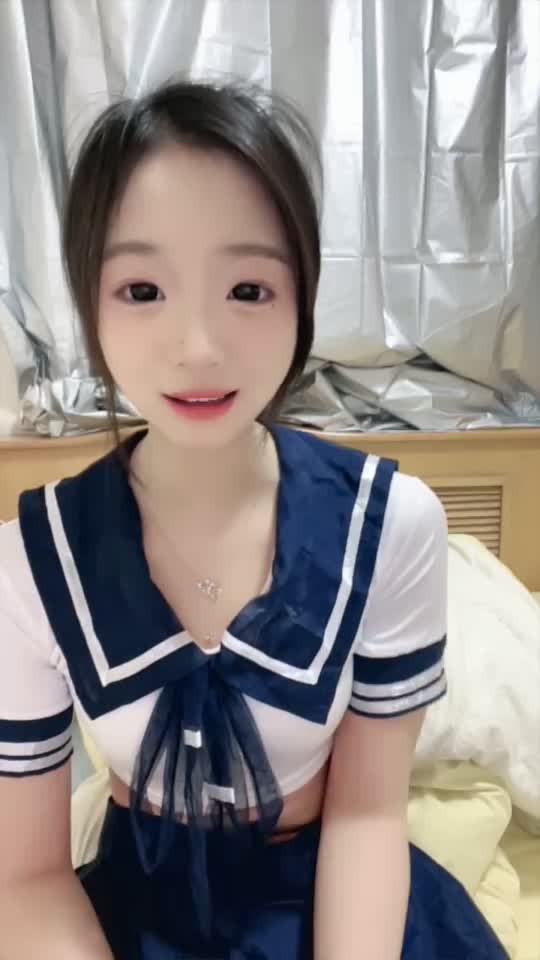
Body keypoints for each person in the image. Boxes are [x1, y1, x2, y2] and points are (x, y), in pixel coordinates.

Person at [0, 80, 508, 960]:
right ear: (88, 305)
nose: (198, 347)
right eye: (142, 289)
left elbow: (368, 813)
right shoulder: (30, 564)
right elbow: (25, 875)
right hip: (130, 915)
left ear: (301, 298)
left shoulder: (389, 526)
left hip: (335, 899)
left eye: (247, 288)